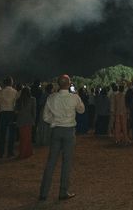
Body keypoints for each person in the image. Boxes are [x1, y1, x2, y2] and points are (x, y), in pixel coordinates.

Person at [39, 74, 85, 202]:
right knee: (67, 163)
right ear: (69, 83)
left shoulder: (51, 97)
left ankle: (43, 193)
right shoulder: (74, 97)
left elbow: (45, 117)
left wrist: (54, 120)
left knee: (51, 162)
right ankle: (63, 191)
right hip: (69, 130)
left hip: (56, 130)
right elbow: (81, 110)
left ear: (59, 84)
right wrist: (76, 95)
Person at [0, 77, 18, 158]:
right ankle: (10, 152)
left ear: (4, 83)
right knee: (11, 133)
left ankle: (1, 152)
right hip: (11, 113)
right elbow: (16, 104)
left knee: (2, 133)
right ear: (11, 83)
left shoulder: (0, 92)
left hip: (3, 112)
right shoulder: (15, 92)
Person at [15, 86, 36, 159]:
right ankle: (26, 152)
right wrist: (33, 120)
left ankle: (24, 152)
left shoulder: (19, 100)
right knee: (27, 137)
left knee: (22, 137)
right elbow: (34, 111)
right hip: (29, 120)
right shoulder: (32, 100)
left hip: (20, 120)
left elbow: (16, 111)